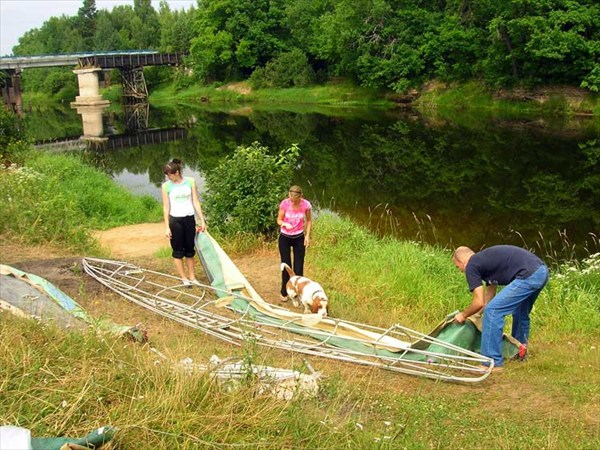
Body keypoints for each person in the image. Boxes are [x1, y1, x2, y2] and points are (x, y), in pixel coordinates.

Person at [452, 245, 549, 369]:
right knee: (520, 313)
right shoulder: (484, 262)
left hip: (528, 275)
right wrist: (477, 316)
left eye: (457, 266)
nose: (460, 270)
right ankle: (518, 353)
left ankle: (491, 362)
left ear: (462, 261)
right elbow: (488, 300)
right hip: (541, 272)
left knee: (493, 312)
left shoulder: (471, 265)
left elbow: (479, 302)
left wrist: (463, 315)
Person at [162, 159, 206, 287]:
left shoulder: (190, 181)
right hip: (175, 221)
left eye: (169, 174)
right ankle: (184, 278)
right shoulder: (166, 186)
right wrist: (166, 227)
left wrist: (202, 220)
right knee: (178, 251)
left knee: (189, 250)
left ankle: (192, 277)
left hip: (189, 219)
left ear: (176, 172)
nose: (168, 177)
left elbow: (196, 201)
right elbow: (166, 207)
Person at [277, 185, 312, 301]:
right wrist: (284, 224)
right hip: (285, 238)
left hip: (299, 238)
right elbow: (279, 219)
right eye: (291, 200)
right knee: (286, 266)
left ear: (301, 197)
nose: (293, 202)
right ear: (289, 196)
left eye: (296, 200)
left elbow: (309, 220)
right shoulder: (285, 204)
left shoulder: (306, 205)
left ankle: (298, 291)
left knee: (298, 267)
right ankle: (284, 291)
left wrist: (307, 236)